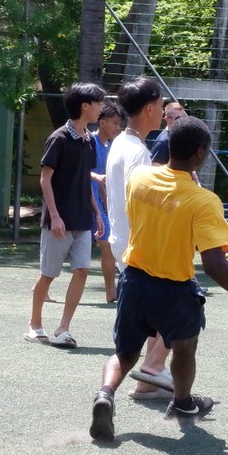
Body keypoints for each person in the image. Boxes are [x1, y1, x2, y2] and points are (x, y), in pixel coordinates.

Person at [90, 116, 228, 441]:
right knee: (185, 347)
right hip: (173, 289)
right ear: (201, 152)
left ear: (169, 145)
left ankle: (105, 394)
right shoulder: (203, 200)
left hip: (133, 281)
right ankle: (183, 402)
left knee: (125, 353)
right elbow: (215, 264)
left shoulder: (140, 178)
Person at [103, 78, 177, 398]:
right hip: (139, 244)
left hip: (123, 241)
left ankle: (147, 379)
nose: (163, 113)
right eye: (161, 106)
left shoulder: (122, 143)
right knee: (182, 309)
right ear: (149, 108)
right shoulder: (137, 153)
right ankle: (151, 372)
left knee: (155, 314)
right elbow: (144, 202)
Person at [28, 82, 105, 348]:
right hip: (59, 221)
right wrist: (55, 216)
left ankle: (63, 328)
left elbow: (85, 179)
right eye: (98, 103)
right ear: (85, 106)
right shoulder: (59, 138)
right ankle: (34, 325)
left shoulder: (89, 140)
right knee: (48, 275)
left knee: (82, 270)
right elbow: (45, 179)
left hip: (83, 219)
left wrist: (96, 213)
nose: (101, 108)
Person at [90, 100, 124, 304]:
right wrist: (97, 180)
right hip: (85, 202)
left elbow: (102, 177)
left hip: (97, 203)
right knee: (108, 246)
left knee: (108, 246)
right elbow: (79, 171)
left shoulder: (108, 145)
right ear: (101, 122)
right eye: (114, 123)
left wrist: (105, 196)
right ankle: (111, 292)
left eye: (119, 124)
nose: (117, 128)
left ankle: (112, 292)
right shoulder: (90, 142)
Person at [148, 100, 186, 164]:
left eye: (183, 117)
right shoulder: (162, 143)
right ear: (167, 118)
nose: (182, 121)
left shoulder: (180, 135)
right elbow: (156, 168)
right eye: (177, 118)